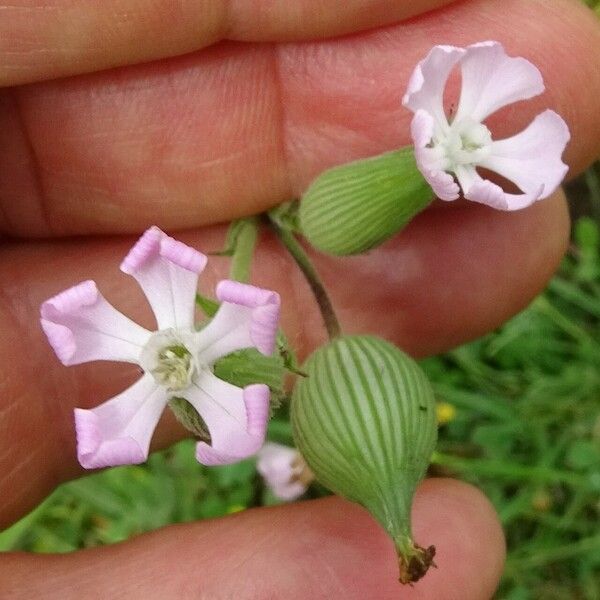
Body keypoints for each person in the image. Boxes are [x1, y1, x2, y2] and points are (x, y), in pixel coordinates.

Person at [0, 0, 599, 597]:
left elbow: (317, 244)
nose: (169, 365)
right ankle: (398, 530)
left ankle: (399, 525)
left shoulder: (264, 298)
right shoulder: (222, 329)